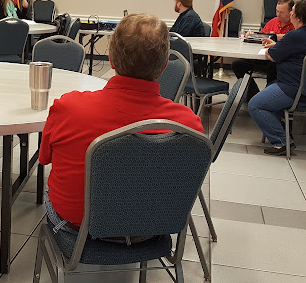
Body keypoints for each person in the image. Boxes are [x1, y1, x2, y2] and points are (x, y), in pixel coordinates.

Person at [40, 13, 203, 235]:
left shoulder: (68, 108)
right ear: (165, 65)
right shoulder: (187, 126)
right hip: (150, 234)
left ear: (110, 58)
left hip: (76, 231)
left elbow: (45, 159)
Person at [248, 0, 306, 156]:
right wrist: (277, 46)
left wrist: (273, 49)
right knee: (269, 91)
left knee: (255, 105)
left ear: (298, 18)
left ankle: (281, 141)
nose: (290, 14)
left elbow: (272, 56)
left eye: (292, 12)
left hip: (292, 87)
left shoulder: (294, 35)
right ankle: (283, 129)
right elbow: (291, 50)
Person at [231, 0, 295, 100]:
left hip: (280, 60)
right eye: (277, 11)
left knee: (273, 66)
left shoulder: (294, 24)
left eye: (282, 12)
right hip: (263, 57)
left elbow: (292, 38)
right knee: (237, 65)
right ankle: (254, 95)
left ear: (290, 12)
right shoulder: (274, 21)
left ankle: (268, 98)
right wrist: (252, 35)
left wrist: (275, 36)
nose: (278, 14)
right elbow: (261, 36)